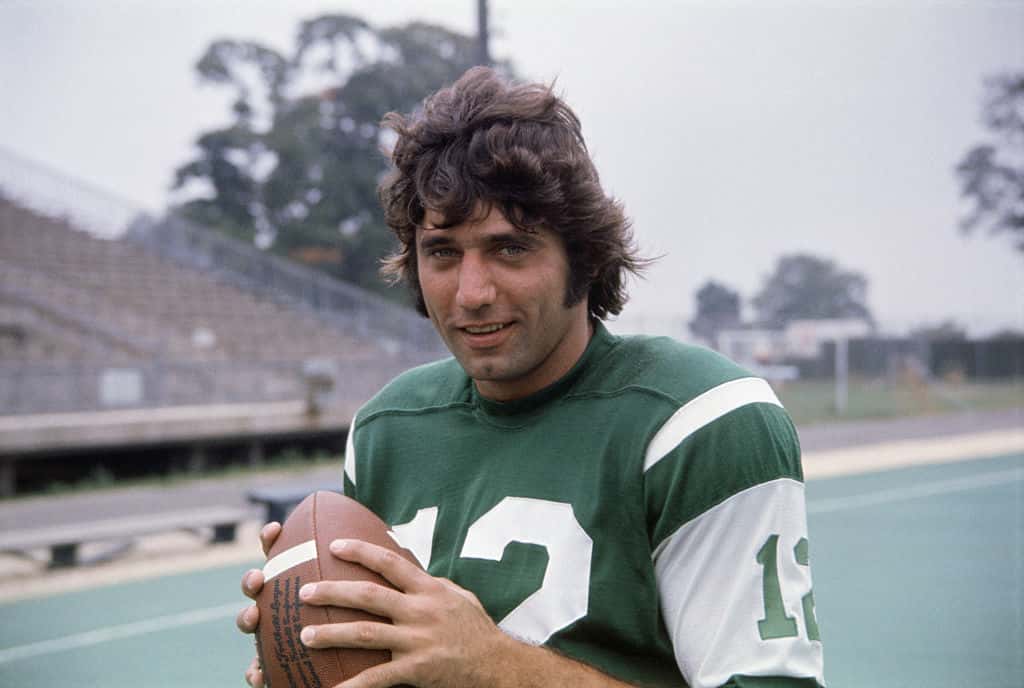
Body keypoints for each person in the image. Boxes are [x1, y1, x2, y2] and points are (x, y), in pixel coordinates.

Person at [237, 66, 825, 688]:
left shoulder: (699, 420)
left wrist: (493, 664)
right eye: (442, 252)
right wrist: (321, 649)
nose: (471, 292)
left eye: (509, 248)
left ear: (584, 254)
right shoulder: (389, 428)